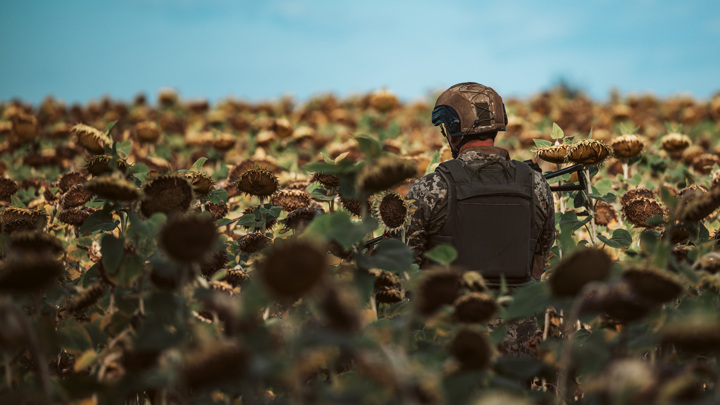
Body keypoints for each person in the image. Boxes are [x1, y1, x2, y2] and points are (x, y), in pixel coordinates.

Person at [404, 82, 555, 356]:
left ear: (452, 130)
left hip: (452, 341)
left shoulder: (431, 187)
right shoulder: (536, 184)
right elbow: (541, 254)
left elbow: (405, 262)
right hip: (520, 344)